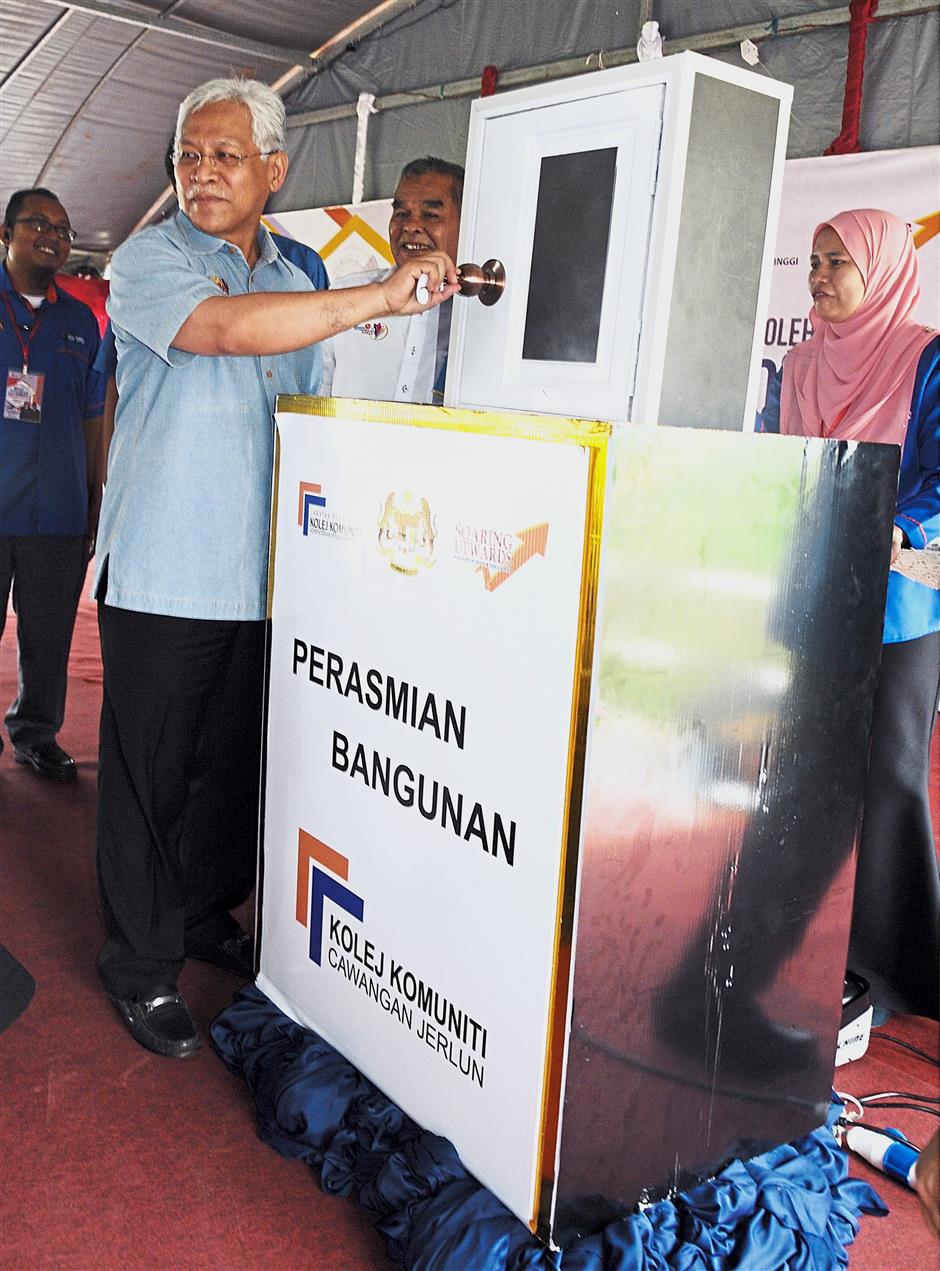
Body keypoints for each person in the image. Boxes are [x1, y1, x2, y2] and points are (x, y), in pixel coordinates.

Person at [95, 77, 458, 1060]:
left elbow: (310, 422)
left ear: (273, 170)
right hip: (167, 572)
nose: (201, 172)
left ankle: (205, 911)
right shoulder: (148, 261)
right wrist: (383, 294)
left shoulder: (299, 282)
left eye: (223, 155)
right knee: (148, 776)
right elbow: (223, 333)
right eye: (188, 155)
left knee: (233, 771)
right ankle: (139, 964)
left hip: (264, 577)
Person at [776, 208, 939, 1021]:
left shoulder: (927, 357)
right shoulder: (798, 363)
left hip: (902, 600)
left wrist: (894, 523)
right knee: (807, 774)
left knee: (887, 778)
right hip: (814, 592)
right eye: (814, 260)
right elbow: (783, 465)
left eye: (840, 261)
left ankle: (892, 972)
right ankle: (803, 953)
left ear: (881, 270)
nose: (820, 275)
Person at [0, 188, 104, 780]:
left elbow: (95, 413)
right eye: (38, 223)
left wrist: (94, 498)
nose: (53, 236)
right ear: (7, 232)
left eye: (63, 229)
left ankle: (36, 734)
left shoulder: (79, 320)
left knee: (48, 635)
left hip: (57, 508)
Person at [321, 156, 463, 404]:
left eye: (431, 214)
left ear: (468, 221)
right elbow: (314, 400)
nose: (411, 226)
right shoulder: (349, 293)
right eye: (401, 213)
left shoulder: (479, 310)